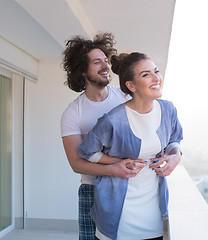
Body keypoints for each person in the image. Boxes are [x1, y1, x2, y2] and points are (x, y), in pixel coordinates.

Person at [78, 52, 183, 240]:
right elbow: (87, 152)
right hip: (119, 215)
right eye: (146, 74)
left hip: (154, 215)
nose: (156, 78)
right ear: (131, 86)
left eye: (155, 71)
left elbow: (175, 139)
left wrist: (175, 156)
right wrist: (119, 162)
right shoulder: (113, 120)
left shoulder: (168, 110)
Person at [61, 33, 147, 240]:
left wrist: (175, 151)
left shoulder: (127, 98)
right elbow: (76, 163)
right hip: (92, 192)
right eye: (97, 62)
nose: (105, 66)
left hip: (131, 187)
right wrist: (112, 169)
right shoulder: (73, 113)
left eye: (105, 61)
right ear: (83, 70)